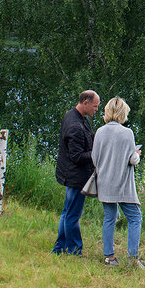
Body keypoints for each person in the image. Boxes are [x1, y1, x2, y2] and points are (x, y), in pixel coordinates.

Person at [91, 96, 145, 268]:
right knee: (135, 217)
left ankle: (110, 257)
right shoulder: (127, 133)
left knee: (110, 218)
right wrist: (137, 153)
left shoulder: (100, 132)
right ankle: (133, 259)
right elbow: (132, 159)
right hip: (123, 184)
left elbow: (94, 157)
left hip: (105, 182)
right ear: (123, 113)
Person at [53, 90, 99, 255]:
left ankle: (59, 248)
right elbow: (77, 156)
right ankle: (74, 249)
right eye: (95, 106)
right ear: (85, 102)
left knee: (67, 211)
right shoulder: (75, 125)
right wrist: (97, 154)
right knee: (72, 214)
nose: (96, 110)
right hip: (75, 177)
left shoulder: (77, 117)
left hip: (70, 173)